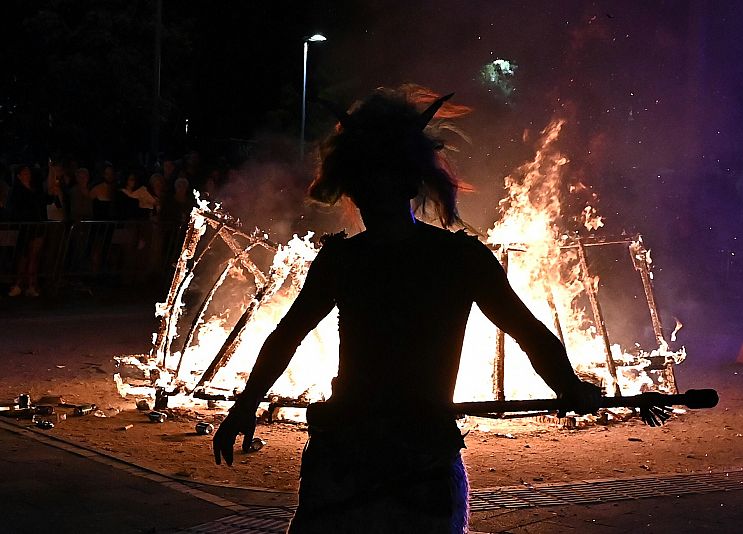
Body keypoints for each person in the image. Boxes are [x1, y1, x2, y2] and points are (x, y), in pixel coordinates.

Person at [212, 87, 601, 533]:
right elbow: (287, 335)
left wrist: (569, 385)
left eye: (375, 176)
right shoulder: (423, 259)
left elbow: (528, 332)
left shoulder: (389, 259)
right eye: (365, 177)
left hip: (377, 459)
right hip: (380, 458)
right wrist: (569, 387)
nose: (368, 189)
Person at [6, 165, 46, 297]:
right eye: (24, 173)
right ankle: (18, 284)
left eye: (28, 172)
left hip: (36, 225)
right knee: (22, 257)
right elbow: (14, 209)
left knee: (34, 257)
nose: (27, 175)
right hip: (24, 226)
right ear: (18, 176)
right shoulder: (16, 192)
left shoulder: (35, 190)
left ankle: (31, 285)